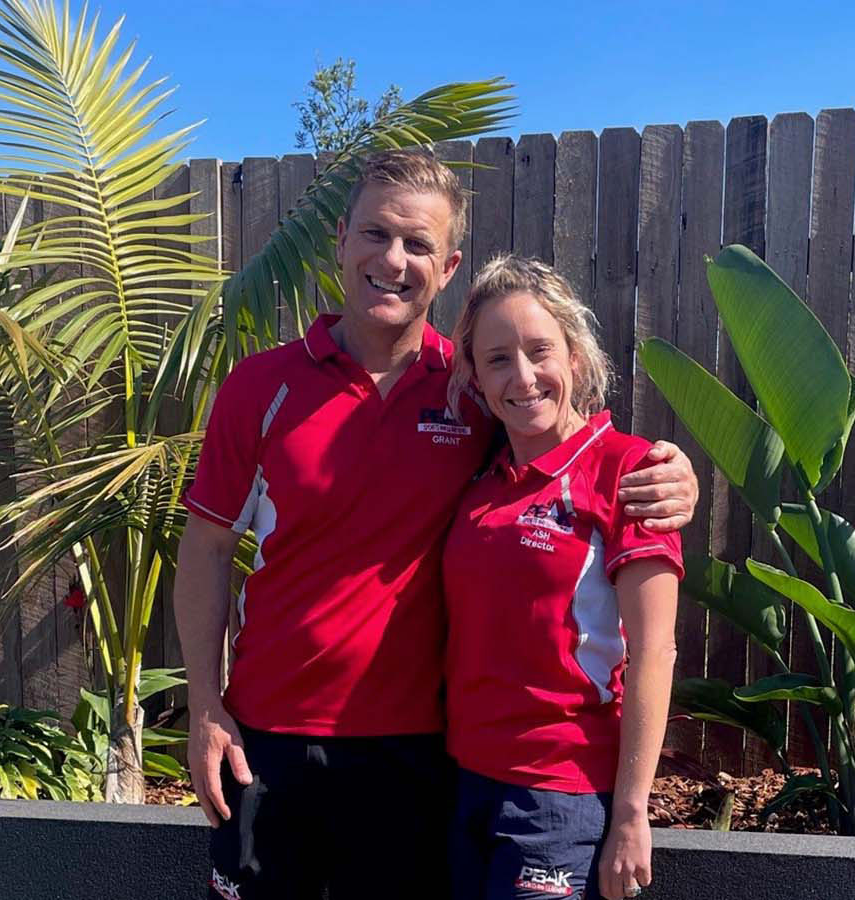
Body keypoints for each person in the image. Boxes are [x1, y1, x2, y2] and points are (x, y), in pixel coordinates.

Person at [173, 149, 698, 900]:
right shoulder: (260, 386)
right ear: (341, 243)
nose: (394, 259)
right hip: (266, 740)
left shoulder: (474, 388)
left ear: (447, 268)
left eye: (418, 244)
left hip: (419, 755)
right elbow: (208, 547)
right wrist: (204, 706)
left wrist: (673, 476)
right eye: (377, 234)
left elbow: (566, 443)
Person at [442, 256, 679, 900]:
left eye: (539, 350)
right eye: (497, 359)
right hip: (463, 782)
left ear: (574, 356)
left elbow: (655, 650)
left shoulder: (630, 472)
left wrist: (633, 810)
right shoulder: (480, 483)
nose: (523, 377)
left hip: (559, 795)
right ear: (476, 377)